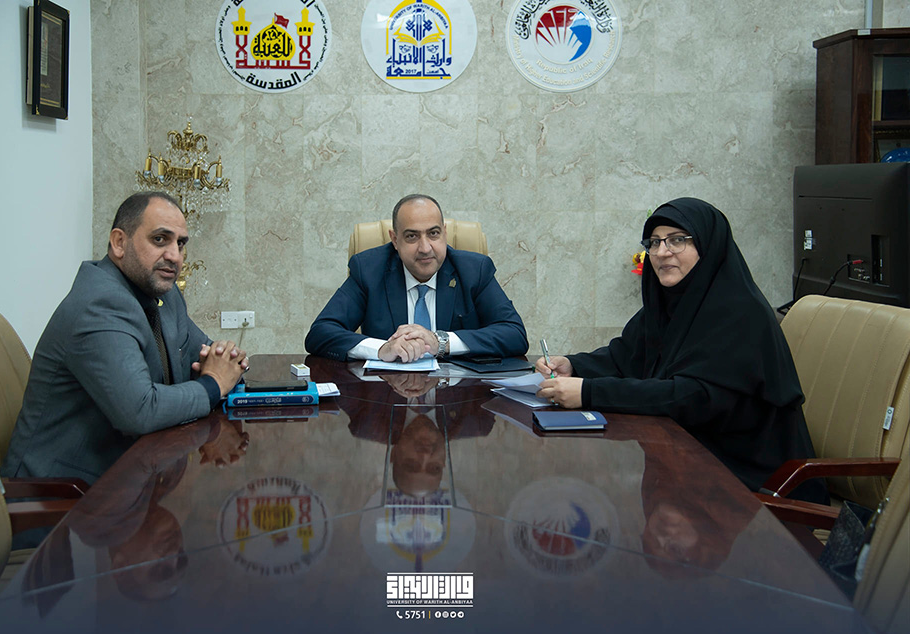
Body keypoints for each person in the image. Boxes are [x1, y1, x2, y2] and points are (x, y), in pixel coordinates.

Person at [536, 197, 824, 501]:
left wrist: (590, 392)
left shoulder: (741, 313)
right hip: (686, 460)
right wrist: (574, 365)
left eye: (677, 240)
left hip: (749, 480)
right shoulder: (671, 303)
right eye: (655, 242)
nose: (662, 252)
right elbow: (626, 355)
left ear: (707, 246)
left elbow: (694, 398)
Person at [2, 192, 248, 486]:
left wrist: (226, 363)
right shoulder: (100, 304)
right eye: (160, 239)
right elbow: (140, 411)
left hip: (132, 479)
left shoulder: (165, 296)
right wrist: (214, 384)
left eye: (180, 244)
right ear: (119, 242)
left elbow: (208, 356)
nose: (174, 256)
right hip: (60, 495)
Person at [305, 194, 528, 362]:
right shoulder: (369, 270)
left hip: (458, 398)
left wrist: (441, 342)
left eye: (433, 234)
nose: (425, 248)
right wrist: (381, 349)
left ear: (444, 233)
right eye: (412, 236)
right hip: (386, 397)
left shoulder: (474, 270)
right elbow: (320, 333)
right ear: (395, 240)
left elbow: (514, 334)